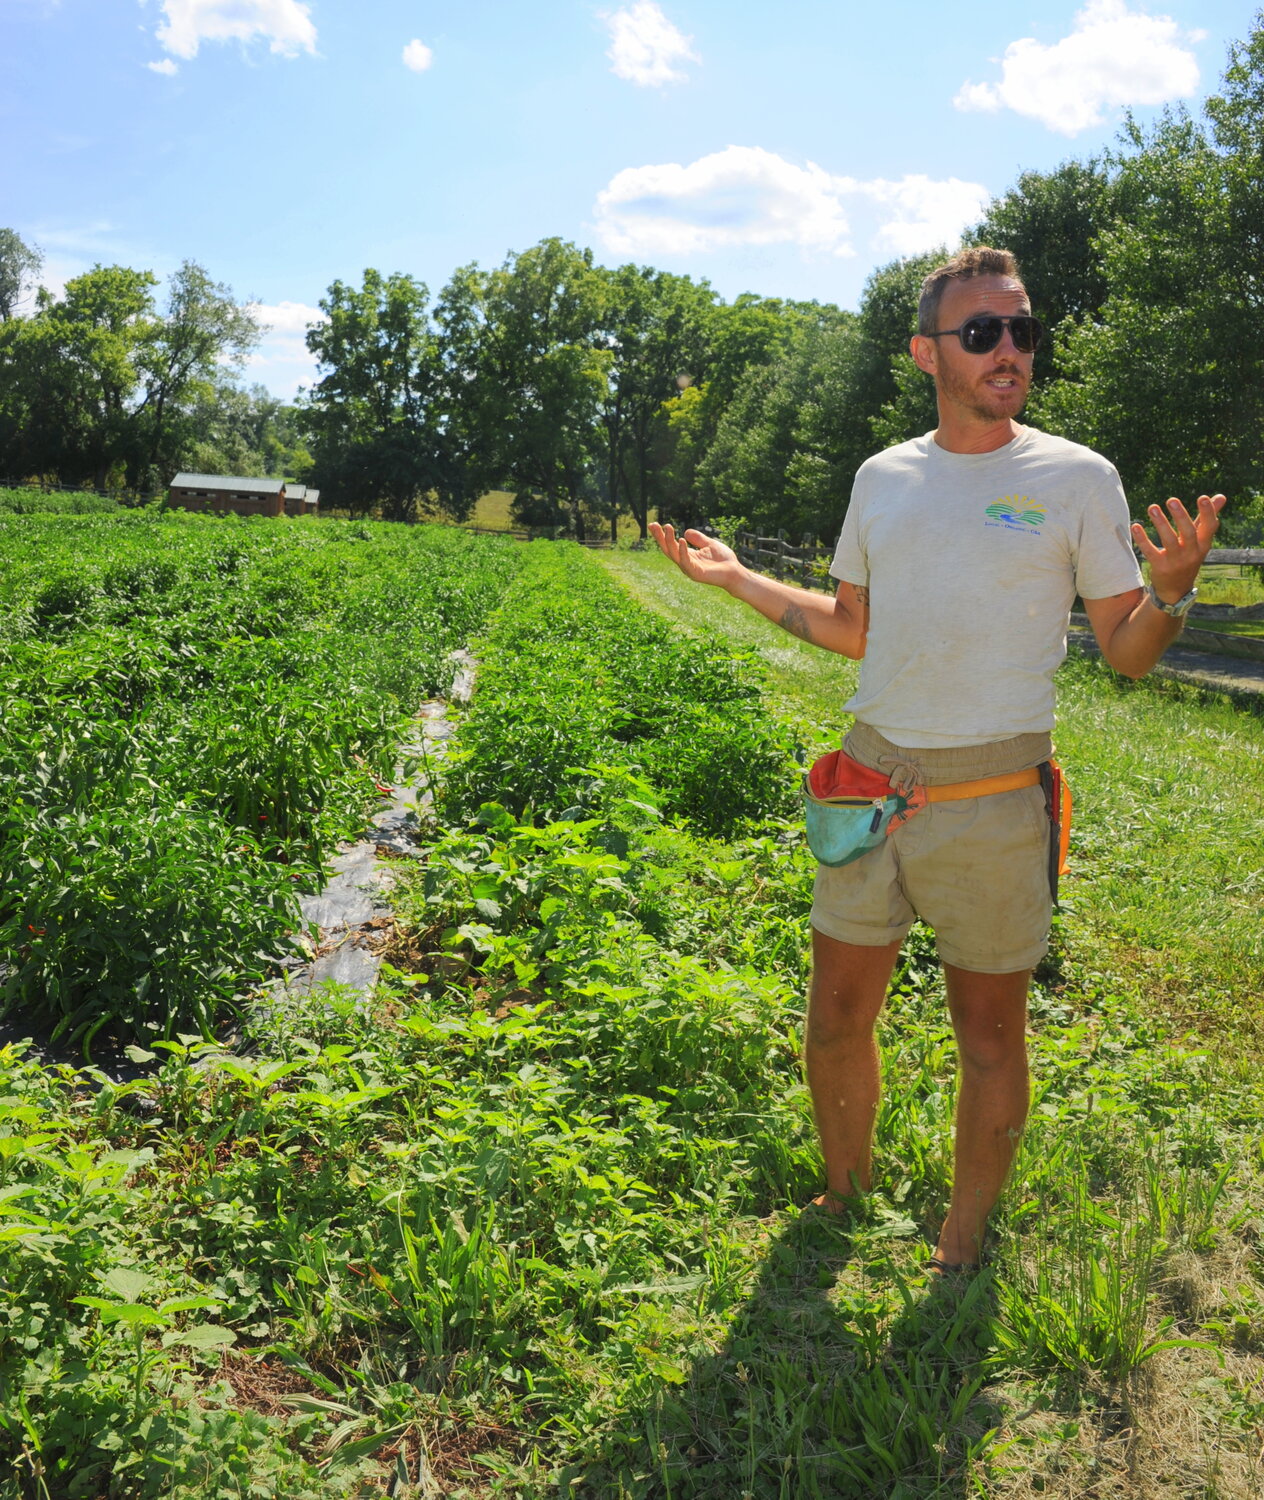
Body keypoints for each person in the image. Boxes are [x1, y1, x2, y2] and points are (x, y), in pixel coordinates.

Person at [650, 246, 1224, 1272]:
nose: (1008, 351)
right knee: (833, 1016)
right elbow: (851, 626)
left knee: (991, 1036)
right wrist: (735, 581)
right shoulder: (883, 478)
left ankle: (962, 1240)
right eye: (982, 332)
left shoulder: (1075, 477)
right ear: (927, 352)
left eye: (1022, 330)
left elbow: (1128, 653)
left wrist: (1170, 592)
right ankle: (843, 1191)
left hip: (995, 801)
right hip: (869, 790)